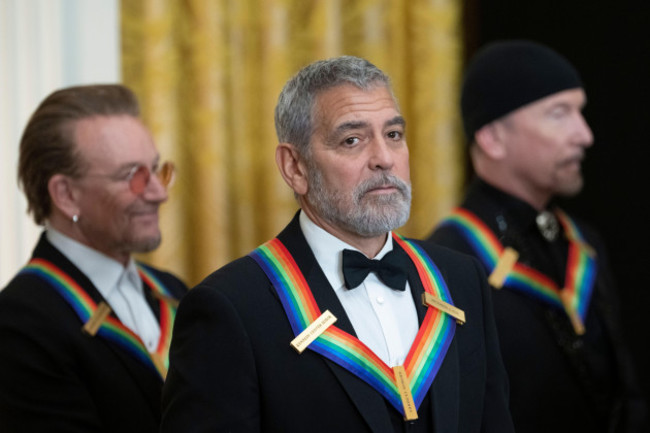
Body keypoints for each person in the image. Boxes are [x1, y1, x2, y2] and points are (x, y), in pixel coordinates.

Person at [161, 56, 514, 433]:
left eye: (393, 135)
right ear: (295, 167)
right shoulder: (230, 307)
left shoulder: (461, 278)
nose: (383, 159)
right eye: (352, 140)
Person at [428, 40, 647, 432]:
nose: (585, 135)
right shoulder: (447, 261)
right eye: (559, 114)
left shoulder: (582, 241)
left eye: (581, 112)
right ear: (492, 138)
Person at [0, 84, 187, 432]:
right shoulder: (20, 323)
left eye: (157, 169)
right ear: (66, 195)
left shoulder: (171, 290)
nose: (160, 193)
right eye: (133, 177)